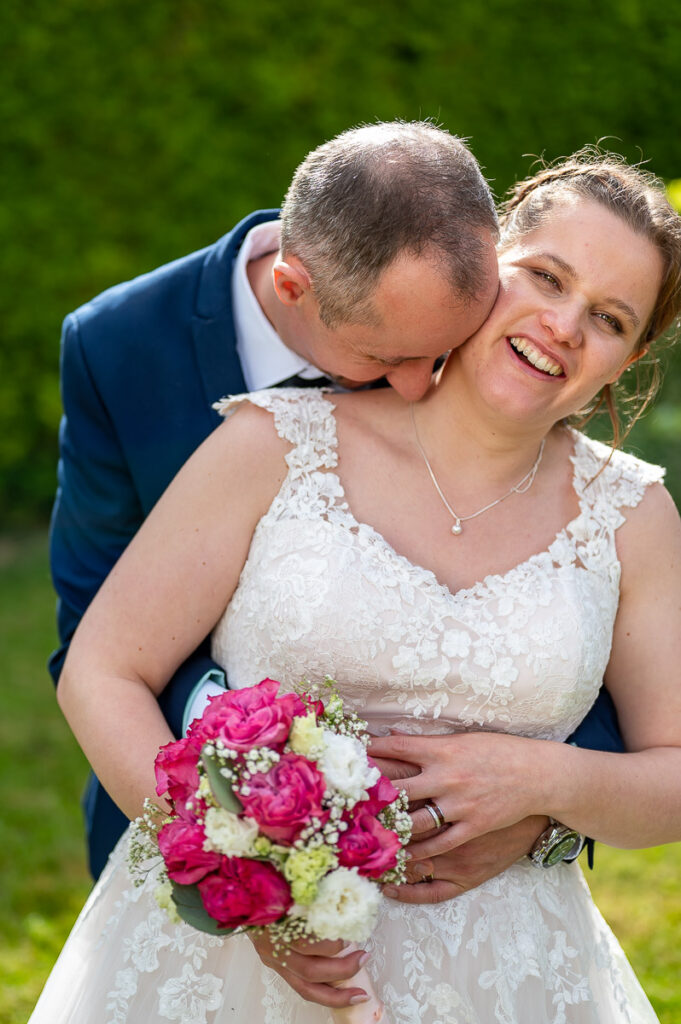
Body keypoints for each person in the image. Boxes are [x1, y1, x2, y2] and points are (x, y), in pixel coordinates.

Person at [31, 149, 681, 1023]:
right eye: (545, 278)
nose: (564, 324)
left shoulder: (633, 515)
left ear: (629, 357)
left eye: (607, 318)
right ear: (486, 266)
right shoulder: (274, 443)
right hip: (231, 966)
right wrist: (240, 880)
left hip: (507, 974)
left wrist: (544, 783)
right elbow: (101, 669)